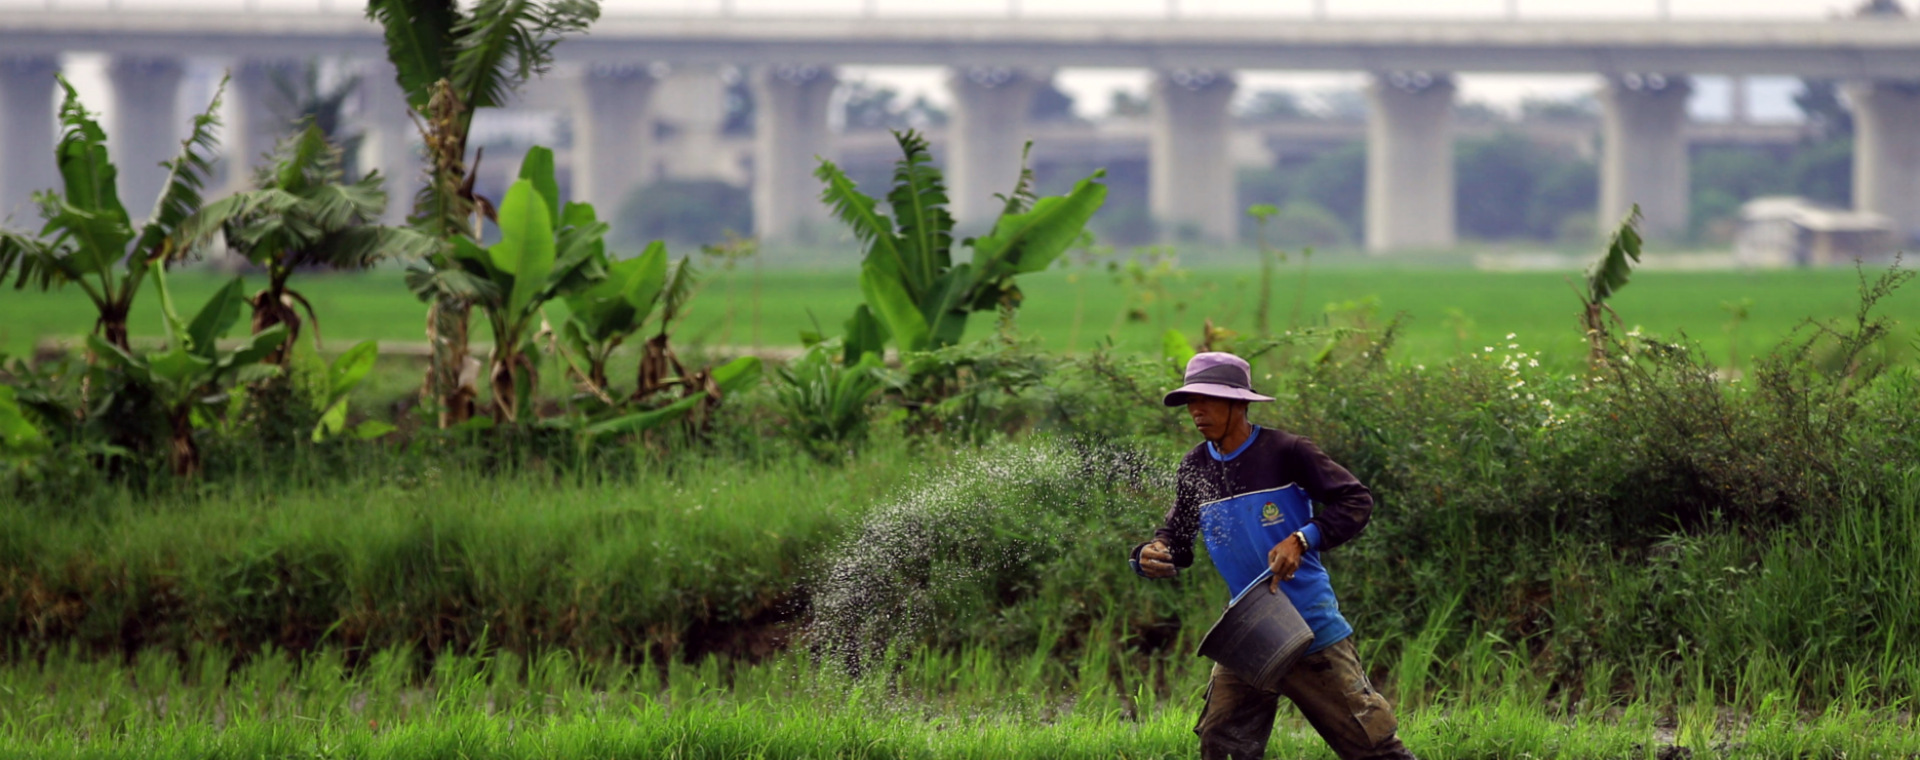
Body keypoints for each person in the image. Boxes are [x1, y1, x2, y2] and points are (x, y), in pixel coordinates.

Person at [1131, 352, 1417, 760]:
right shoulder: (1195, 466)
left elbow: (1355, 500)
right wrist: (1149, 553)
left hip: (1309, 626)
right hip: (1249, 630)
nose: (1197, 410)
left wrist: (1301, 539)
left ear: (1240, 403)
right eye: (1191, 400)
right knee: (1222, 743)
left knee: (1371, 748)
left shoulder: (1286, 451)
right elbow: (1175, 540)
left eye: (1208, 399)